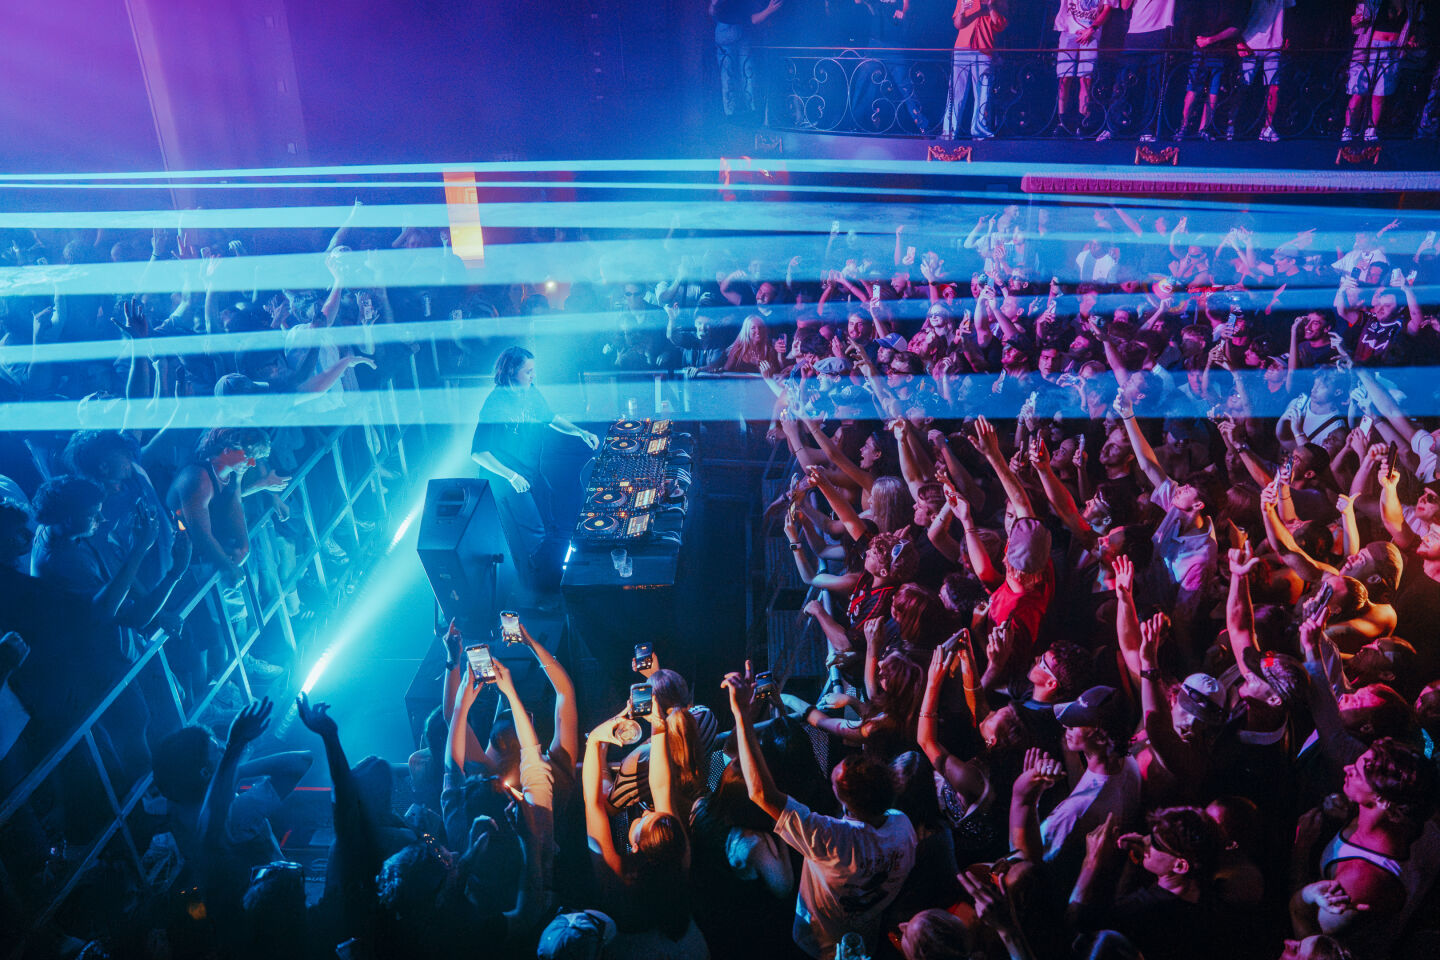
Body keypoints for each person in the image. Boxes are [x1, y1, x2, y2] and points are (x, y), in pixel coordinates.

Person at [725, 663, 916, 959]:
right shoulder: (903, 825)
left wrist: (742, 716)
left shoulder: (831, 839)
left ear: (846, 804)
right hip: (865, 936)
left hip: (816, 943)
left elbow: (761, 793)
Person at [470, 347, 599, 592]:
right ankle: (541, 591)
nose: (533, 376)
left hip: (530, 473)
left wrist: (580, 432)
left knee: (550, 523)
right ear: (511, 372)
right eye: (527, 371)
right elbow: (478, 452)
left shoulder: (531, 392)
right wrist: (512, 476)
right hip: (505, 481)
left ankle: (552, 577)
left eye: (533, 371)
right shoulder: (494, 405)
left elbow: (550, 417)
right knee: (534, 534)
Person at [943, 0, 1008, 140]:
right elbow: (958, 24)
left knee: (983, 93)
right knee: (956, 91)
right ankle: (949, 130)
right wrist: (961, 12)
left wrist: (991, 6)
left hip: (984, 50)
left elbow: (1000, 25)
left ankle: (979, 130)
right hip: (962, 48)